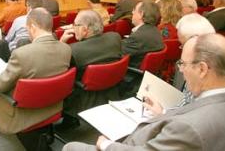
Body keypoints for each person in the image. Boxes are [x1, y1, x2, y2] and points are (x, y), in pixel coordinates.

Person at [63, 33, 225, 151]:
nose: (181, 71)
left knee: (71, 147)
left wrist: (107, 145)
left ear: (202, 69)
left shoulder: (188, 128)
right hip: (153, 136)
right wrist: (163, 113)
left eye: (183, 64)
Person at [0, 8, 71, 151]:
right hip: (53, 106)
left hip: (24, 112)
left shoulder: (21, 54)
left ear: (32, 27)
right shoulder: (66, 49)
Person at [59, 10, 122, 128]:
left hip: (84, 97)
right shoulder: (115, 37)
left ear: (84, 29)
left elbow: (58, 68)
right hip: (111, 90)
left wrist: (61, 44)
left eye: (75, 25)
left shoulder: (73, 50)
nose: (73, 28)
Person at [122, 1, 164, 68]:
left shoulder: (138, 37)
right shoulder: (155, 31)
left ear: (141, 14)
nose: (132, 12)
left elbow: (117, 53)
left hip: (132, 74)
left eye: (134, 10)